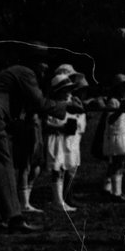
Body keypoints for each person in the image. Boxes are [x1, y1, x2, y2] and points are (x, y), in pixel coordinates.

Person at [0, 61, 71, 233]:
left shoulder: (13, 74)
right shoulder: (26, 72)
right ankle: (15, 219)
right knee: (4, 168)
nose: (44, 68)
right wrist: (66, 107)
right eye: (41, 63)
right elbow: (39, 102)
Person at [39, 66, 89, 215]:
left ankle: (64, 199)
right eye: (65, 89)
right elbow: (47, 123)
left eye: (69, 89)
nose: (68, 91)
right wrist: (61, 127)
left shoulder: (71, 101)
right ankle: (58, 201)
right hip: (56, 139)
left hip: (68, 140)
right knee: (57, 169)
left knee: (67, 167)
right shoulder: (52, 103)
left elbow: (79, 113)